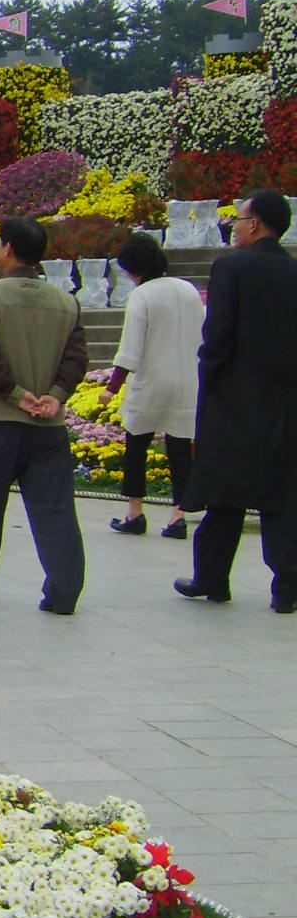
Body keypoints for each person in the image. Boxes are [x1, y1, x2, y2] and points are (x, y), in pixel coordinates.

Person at [0, 216, 89, 614]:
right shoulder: (67, 302)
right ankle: (64, 590)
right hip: (50, 425)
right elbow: (77, 359)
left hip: (0, 420)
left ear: (7, 248)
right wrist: (54, 397)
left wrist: (17, 396)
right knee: (55, 508)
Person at [176, 190, 297, 612]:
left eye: (239, 219)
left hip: (233, 399)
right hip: (284, 403)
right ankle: (287, 589)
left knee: (225, 494)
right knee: (282, 498)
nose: (234, 227)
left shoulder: (231, 267)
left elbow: (219, 335)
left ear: (257, 225)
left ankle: (211, 580)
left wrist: (207, 373)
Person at [104, 231, 202, 539]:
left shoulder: (142, 296)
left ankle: (135, 513)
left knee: (136, 446)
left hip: (151, 382)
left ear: (134, 268)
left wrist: (112, 387)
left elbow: (130, 348)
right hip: (188, 381)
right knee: (180, 449)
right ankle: (178, 517)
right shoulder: (188, 289)